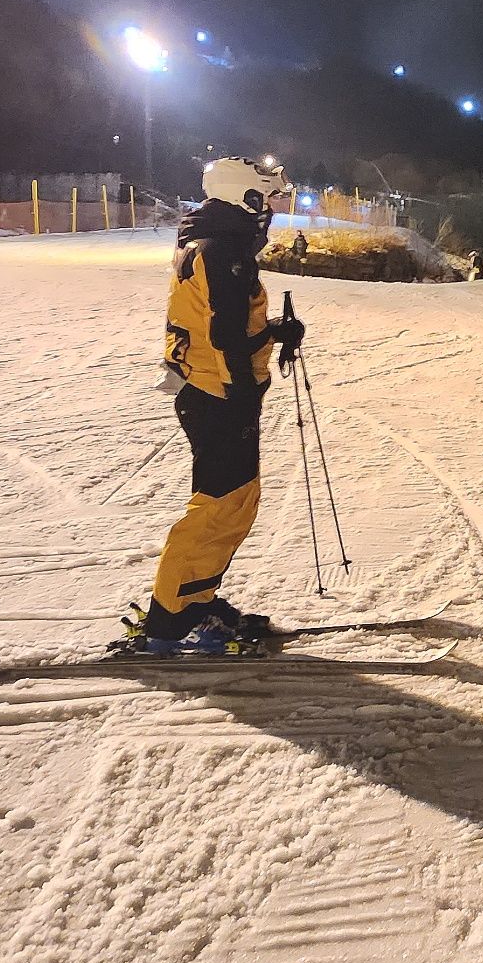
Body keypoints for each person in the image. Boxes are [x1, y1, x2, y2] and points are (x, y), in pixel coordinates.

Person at [141, 157, 303, 653]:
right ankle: (171, 617)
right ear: (246, 199)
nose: (272, 208)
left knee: (235, 500)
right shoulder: (221, 251)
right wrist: (241, 392)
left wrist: (275, 332)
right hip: (217, 394)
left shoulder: (216, 243)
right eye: (268, 197)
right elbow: (226, 335)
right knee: (219, 506)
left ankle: (196, 598)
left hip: (212, 388)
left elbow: (226, 324)